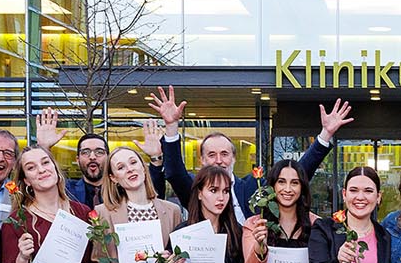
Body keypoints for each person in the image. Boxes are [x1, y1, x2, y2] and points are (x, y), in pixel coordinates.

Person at [150, 87, 354, 220]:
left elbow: (298, 173)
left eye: (224, 154)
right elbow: (175, 173)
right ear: (202, 160)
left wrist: (325, 135)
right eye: (211, 155)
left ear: (234, 158)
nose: (219, 160)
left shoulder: (252, 188)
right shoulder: (196, 190)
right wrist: (171, 126)